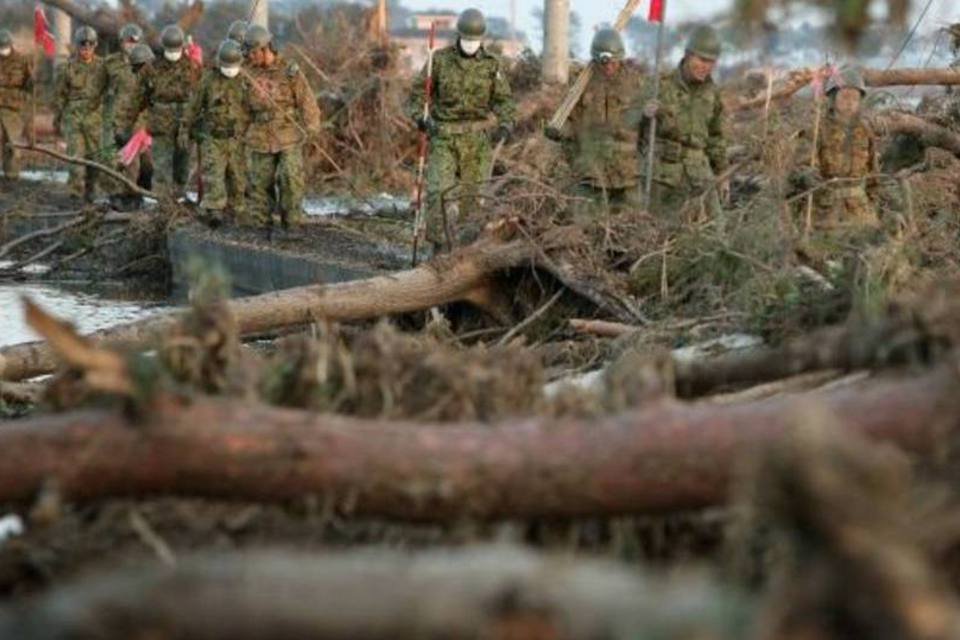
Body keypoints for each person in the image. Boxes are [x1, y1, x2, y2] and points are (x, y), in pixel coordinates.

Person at [406, 8, 516, 252]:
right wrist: (421, 119)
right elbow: (416, 95)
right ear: (458, 37)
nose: (470, 45)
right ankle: (438, 248)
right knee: (437, 193)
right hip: (443, 136)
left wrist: (507, 122)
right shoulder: (440, 61)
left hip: (476, 141)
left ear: (482, 40)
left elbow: (504, 100)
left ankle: (466, 251)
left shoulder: (491, 65)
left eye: (474, 41)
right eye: (466, 39)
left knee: (473, 198)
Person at [545, 28, 641, 220]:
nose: (609, 67)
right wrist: (559, 132)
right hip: (590, 173)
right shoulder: (581, 85)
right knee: (583, 227)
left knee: (628, 230)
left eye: (614, 61)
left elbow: (647, 126)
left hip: (626, 174)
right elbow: (570, 123)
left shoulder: (635, 83)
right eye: (604, 62)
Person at [637, 25, 727, 221]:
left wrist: (722, 173)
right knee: (659, 232)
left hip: (699, 175)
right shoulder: (659, 86)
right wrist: (643, 115)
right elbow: (631, 130)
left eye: (711, 62)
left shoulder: (712, 93)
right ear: (687, 55)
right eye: (702, 60)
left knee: (717, 232)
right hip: (663, 175)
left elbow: (716, 137)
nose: (706, 67)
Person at [242, 25, 321, 233]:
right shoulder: (246, 72)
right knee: (259, 184)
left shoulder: (289, 70)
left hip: (288, 135)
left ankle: (292, 225)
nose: (250, 57)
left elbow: (307, 101)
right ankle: (260, 227)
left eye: (252, 52)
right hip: (259, 136)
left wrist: (312, 127)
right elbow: (240, 107)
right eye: (248, 53)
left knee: (291, 179)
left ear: (264, 48)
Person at [119, 24, 201, 195]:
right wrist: (126, 124)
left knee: (182, 168)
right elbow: (136, 98)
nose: (173, 53)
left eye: (176, 49)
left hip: (185, 126)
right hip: (161, 125)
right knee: (162, 169)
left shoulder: (194, 68)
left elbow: (202, 97)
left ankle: (180, 199)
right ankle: (162, 204)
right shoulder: (151, 69)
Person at [181, 40, 249, 225]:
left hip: (237, 137)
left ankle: (238, 210)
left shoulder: (245, 80)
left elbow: (254, 108)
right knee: (213, 175)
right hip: (214, 136)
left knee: (238, 176)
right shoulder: (208, 80)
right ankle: (214, 210)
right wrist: (184, 129)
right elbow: (193, 106)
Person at [809, 67, 880, 228]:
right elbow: (804, 166)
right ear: (833, 98)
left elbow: (873, 173)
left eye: (855, 98)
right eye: (845, 97)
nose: (850, 103)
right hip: (825, 212)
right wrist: (808, 176)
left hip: (860, 211)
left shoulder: (865, 131)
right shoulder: (817, 129)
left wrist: (873, 202)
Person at [54, 26, 107, 201]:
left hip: (95, 120)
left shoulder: (104, 67)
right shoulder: (67, 68)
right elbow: (60, 96)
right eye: (83, 45)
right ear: (77, 46)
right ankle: (75, 195)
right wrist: (57, 120)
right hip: (74, 120)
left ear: (95, 45)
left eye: (90, 45)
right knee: (75, 161)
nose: (86, 49)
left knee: (95, 161)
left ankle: (91, 192)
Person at [103, 22, 144, 206]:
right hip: (114, 119)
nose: (131, 45)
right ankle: (115, 194)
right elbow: (97, 88)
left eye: (134, 41)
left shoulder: (146, 64)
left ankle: (132, 194)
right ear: (121, 42)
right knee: (113, 158)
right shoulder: (110, 63)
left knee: (133, 160)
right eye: (128, 41)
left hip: (137, 119)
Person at [0, 28, 33, 180]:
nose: (3, 50)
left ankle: (11, 177)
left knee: (12, 145)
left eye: (4, 46)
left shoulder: (22, 61)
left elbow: (29, 87)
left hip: (13, 109)